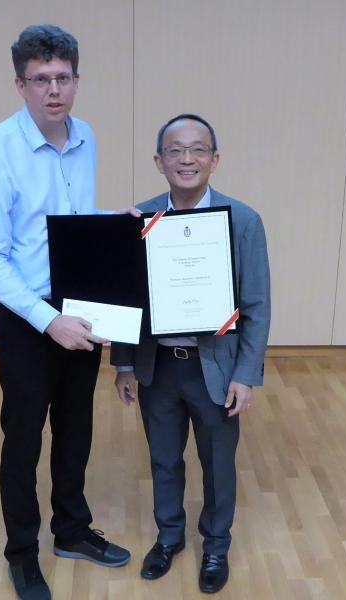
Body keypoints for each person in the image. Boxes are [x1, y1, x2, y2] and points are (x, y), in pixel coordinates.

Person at [0, 24, 137, 600]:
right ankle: (22, 554)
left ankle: (71, 529)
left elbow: (66, 222)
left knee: (76, 428)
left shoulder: (84, 135)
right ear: (20, 85)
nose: (54, 89)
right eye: (41, 79)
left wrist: (113, 229)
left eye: (63, 77)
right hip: (28, 317)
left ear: (77, 80)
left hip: (81, 306)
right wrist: (47, 319)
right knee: (23, 439)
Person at [111, 114, 270, 594]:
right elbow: (126, 297)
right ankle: (169, 537)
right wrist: (123, 362)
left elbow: (257, 305)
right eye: (175, 151)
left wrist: (246, 374)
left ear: (214, 159)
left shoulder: (242, 220)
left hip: (215, 370)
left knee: (218, 462)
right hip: (157, 367)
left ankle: (216, 544)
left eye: (198, 149)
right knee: (163, 459)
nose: (187, 159)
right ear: (159, 161)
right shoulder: (139, 219)